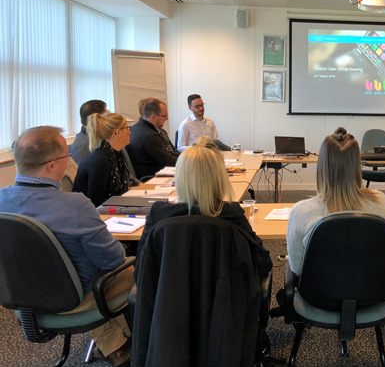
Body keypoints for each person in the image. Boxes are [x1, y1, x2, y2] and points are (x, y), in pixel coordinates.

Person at [0, 126, 133, 367]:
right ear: (51, 165)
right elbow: (113, 260)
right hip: (75, 300)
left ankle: (117, 344)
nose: (70, 159)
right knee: (143, 265)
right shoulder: (75, 206)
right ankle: (143, 344)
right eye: (66, 155)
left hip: (21, 302)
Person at [136, 144, 271, 278]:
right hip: (225, 296)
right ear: (220, 178)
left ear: (179, 177)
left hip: (167, 297)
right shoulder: (230, 212)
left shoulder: (159, 213)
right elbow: (261, 263)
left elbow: (141, 269)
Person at [286, 127, 385, 276]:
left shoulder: (301, 212)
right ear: (357, 165)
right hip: (372, 294)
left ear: (322, 166)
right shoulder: (382, 203)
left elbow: (298, 269)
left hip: (318, 297)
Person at [72, 112, 132, 206]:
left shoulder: (115, 153)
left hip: (112, 207)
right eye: (127, 128)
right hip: (89, 213)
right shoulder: (100, 160)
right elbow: (96, 202)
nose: (130, 132)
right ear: (117, 132)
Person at [126, 99, 181, 179]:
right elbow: (167, 161)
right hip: (152, 178)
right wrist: (189, 161)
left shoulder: (141, 128)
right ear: (153, 117)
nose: (167, 118)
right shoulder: (149, 135)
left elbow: (172, 150)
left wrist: (186, 157)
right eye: (164, 116)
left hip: (159, 172)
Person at [69, 99, 107, 164]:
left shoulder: (96, 137)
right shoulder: (82, 148)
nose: (108, 119)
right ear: (96, 119)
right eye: (106, 116)